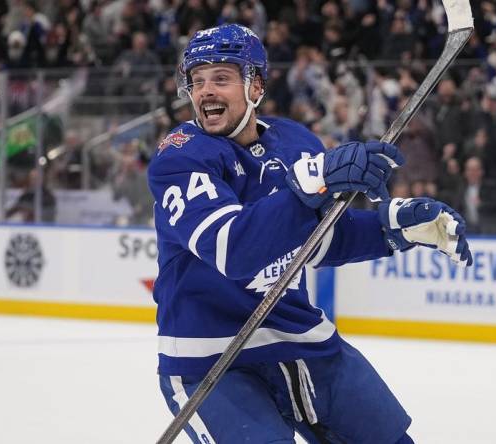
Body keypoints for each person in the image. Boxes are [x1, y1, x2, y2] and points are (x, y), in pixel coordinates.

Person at [149, 24, 473, 443]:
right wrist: (315, 181)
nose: (206, 91)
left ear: (256, 86)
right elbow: (234, 251)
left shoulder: (295, 142)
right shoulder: (180, 157)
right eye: (198, 81)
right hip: (209, 357)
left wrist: (394, 226)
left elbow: (315, 242)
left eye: (222, 78)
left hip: (299, 336)